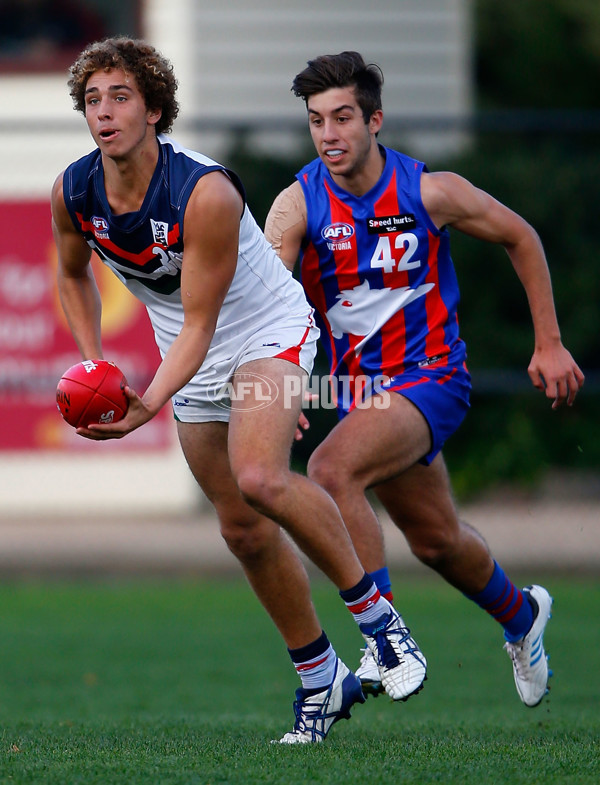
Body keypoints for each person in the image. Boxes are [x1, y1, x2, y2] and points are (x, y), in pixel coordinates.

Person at [50, 37, 428, 745]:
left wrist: (146, 406)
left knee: (260, 476)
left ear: (155, 108)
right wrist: (94, 366)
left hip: (262, 330)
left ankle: (382, 626)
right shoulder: (75, 190)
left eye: (121, 95)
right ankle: (323, 679)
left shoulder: (206, 191)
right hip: (187, 349)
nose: (104, 111)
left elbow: (201, 324)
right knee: (242, 529)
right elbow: (72, 276)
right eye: (92, 99)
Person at [264, 51, 585, 709]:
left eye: (344, 117)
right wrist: (280, 384)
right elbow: (270, 303)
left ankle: (385, 637)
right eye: (317, 120)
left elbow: (520, 236)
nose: (329, 133)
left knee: (330, 470)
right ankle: (522, 617)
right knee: (438, 541)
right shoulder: (296, 207)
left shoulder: (429, 191)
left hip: (434, 377)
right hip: (364, 398)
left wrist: (548, 342)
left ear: (375, 120)